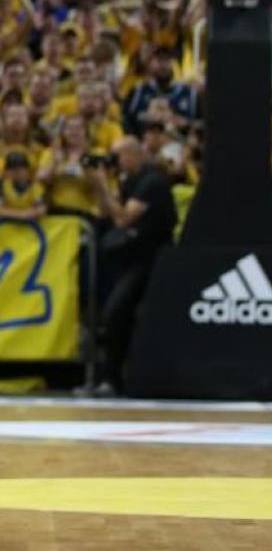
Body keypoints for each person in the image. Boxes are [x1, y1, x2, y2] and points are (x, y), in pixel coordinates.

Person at [90, 136, 177, 395]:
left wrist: (103, 185)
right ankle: (114, 378)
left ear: (134, 155)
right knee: (116, 314)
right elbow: (106, 213)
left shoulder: (152, 181)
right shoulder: (129, 182)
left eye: (117, 156)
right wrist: (100, 187)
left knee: (117, 312)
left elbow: (124, 219)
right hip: (130, 260)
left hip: (153, 260)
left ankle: (113, 379)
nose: (114, 162)